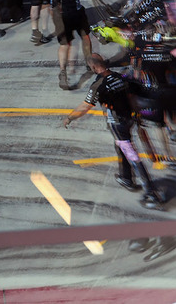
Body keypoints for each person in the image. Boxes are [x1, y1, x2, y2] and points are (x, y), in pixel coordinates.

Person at [62, 54, 165, 210]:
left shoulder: (99, 85)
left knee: (132, 155)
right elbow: (132, 95)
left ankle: (151, 193)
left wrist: (69, 118)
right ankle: (125, 178)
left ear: (93, 67)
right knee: (121, 147)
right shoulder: (119, 76)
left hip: (117, 123)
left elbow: (85, 106)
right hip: (130, 119)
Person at [47, 0, 93, 90]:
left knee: (64, 45)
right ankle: (89, 63)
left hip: (60, 13)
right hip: (77, 11)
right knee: (85, 37)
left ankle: (63, 72)